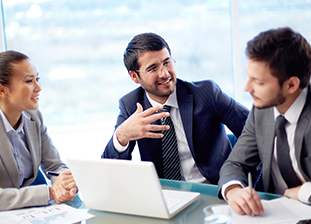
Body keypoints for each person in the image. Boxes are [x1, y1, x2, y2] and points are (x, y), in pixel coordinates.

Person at [218, 27, 311, 219]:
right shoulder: (262, 108)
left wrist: (303, 192)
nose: (246, 88)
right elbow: (236, 163)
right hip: (272, 217)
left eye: (258, 82)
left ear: (291, 85)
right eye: (248, 76)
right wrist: (234, 189)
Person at [102, 32, 249, 184]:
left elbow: (252, 129)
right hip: (166, 197)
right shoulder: (131, 105)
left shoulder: (206, 93)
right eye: (153, 68)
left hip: (216, 189)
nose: (165, 74)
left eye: (167, 63)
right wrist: (121, 136)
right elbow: (109, 172)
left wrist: (235, 172)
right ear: (134, 76)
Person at [0, 50, 78, 217]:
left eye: (37, 79)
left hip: (20, 213)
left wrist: (66, 184)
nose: (38, 88)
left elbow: (55, 166)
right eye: (29, 81)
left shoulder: (34, 118)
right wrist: (50, 192)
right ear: (1, 90)